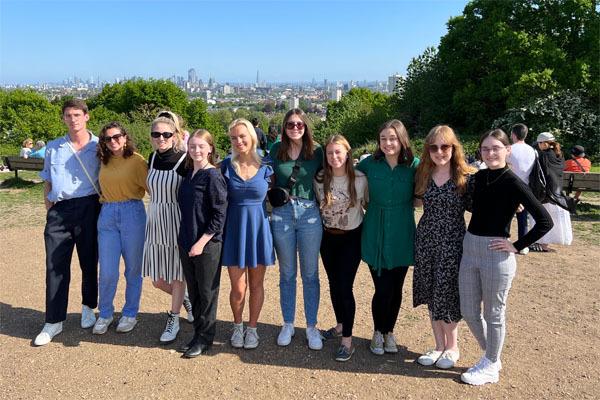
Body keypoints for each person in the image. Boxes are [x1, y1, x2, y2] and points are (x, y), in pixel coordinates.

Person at [459, 129, 552, 386]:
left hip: (496, 253)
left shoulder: (513, 182)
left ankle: (490, 363)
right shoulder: (479, 178)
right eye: (486, 149)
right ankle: (493, 356)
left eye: (495, 148)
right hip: (470, 247)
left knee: (494, 313)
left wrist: (517, 245)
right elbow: (472, 205)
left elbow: (545, 220)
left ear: (507, 150)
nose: (490, 153)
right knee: (468, 310)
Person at [34, 99, 101, 346]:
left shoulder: (98, 145)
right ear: (63, 118)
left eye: (77, 114)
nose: (73, 119)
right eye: (68, 115)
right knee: (55, 265)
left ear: (86, 117)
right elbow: (47, 180)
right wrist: (48, 205)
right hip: (59, 210)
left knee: (88, 260)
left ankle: (87, 306)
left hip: (89, 206)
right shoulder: (54, 147)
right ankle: (53, 320)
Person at [413, 125, 474, 370]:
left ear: (453, 148)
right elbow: (413, 201)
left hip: (452, 242)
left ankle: (453, 347)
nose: (440, 151)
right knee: (431, 292)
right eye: (434, 147)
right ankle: (438, 345)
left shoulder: (466, 176)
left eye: (445, 146)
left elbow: (486, 204)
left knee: (448, 294)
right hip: (427, 240)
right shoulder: (423, 174)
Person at [356, 119, 419, 356]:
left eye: (392, 138)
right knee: (382, 288)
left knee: (397, 288)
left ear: (402, 140)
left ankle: (389, 332)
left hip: (402, 230)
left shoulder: (414, 165)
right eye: (383, 139)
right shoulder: (368, 164)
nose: (387, 143)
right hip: (375, 229)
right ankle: (377, 331)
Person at [270, 108, 324, 351]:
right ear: (284, 127)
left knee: (310, 274)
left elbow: (335, 171)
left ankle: (311, 326)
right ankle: (288, 323)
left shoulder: (317, 152)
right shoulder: (275, 150)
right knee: (287, 273)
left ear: (306, 127)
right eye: (290, 124)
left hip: (309, 213)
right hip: (282, 214)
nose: (295, 128)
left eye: (299, 125)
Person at [221, 119, 275, 350]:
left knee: (257, 284)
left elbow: (276, 195)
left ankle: (252, 328)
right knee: (238, 287)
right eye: (233, 137)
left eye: (242, 136)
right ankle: (237, 325)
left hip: (259, 228)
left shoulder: (267, 164)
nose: (238, 141)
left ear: (252, 136)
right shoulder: (225, 165)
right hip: (234, 229)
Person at [314, 134, 368, 362]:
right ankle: (339, 324)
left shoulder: (360, 179)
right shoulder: (319, 178)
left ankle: (348, 340)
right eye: (329, 152)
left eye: (338, 152)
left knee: (345, 286)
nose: (334, 156)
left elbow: (369, 205)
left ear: (347, 153)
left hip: (351, 238)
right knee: (334, 284)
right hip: (328, 239)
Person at [92, 122, 148, 335]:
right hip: (107, 215)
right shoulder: (102, 160)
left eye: (117, 137)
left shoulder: (137, 161)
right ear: (103, 142)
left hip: (132, 212)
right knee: (107, 271)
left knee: (133, 269)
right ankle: (105, 313)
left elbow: (152, 188)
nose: (113, 141)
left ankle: (130, 313)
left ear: (125, 137)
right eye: (108, 138)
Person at [142, 116, 194, 344]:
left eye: (166, 134)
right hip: (155, 220)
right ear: (151, 137)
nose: (161, 138)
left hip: (175, 220)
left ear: (175, 136)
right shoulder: (152, 158)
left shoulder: (185, 159)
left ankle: (173, 318)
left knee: (177, 273)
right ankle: (186, 300)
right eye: (156, 134)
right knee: (157, 279)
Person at [177, 129, 227, 358]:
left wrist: (201, 242)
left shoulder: (213, 176)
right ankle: (197, 333)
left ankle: (206, 339)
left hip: (206, 244)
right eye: (193, 146)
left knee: (207, 293)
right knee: (194, 291)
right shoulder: (188, 173)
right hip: (186, 240)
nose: (196, 150)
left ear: (210, 149)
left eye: (201, 146)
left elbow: (219, 215)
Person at [529, 132, 573, 252]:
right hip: (557, 192)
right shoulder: (559, 155)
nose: (538, 146)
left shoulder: (543, 156)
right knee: (554, 218)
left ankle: (542, 243)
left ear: (544, 143)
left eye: (539, 143)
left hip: (546, 193)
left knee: (542, 218)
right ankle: (544, 244)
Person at [507, 123, 536, 255]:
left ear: (513, 134)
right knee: (522, 217)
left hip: (510, 186)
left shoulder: (509, 149)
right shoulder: (533, 150)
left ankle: (504, 238)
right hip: (526, 186)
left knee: (505, 215)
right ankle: (523, 245)